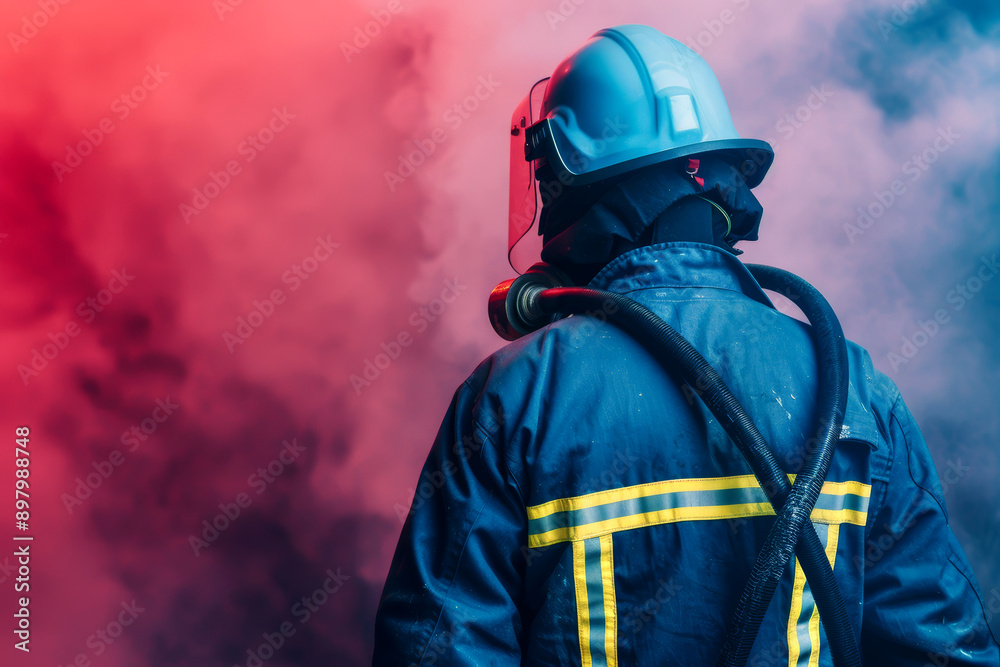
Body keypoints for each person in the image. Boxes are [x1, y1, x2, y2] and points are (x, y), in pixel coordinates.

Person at [373, 24, 999, 666]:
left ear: (566, 183)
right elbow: (941, 652)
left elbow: (437, 653)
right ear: (724, 185)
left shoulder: (514, 396)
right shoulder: (856, 392)